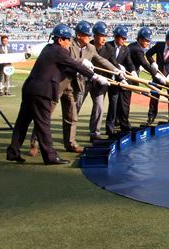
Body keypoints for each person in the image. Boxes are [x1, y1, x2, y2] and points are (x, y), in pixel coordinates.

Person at [6, 24, 109, 165]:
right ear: (60, 40)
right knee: (43, 125)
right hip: (42, 92)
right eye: (67, 39)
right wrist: (95, 77)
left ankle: (13, 151)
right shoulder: (60, 51)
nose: (69, 42)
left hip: (30, 89)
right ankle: (50, 157)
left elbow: (68, 68)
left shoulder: (49, 48)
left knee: (22, 123)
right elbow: (75, 65)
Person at [30, 20, 120, 156]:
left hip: (74, 85)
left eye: (90, 35)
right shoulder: (67, 44)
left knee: (71, 116)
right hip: (58, 84)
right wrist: (81, 62)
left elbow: (101, 60)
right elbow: (67, 59)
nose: (89, 38)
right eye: (87, 35)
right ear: (78, 35)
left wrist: (116, 70)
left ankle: (70, 143)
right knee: (45, 114)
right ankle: (34, 143)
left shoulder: (90, 48)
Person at [77, 21, 111, 140]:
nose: (104, 39)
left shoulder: (109, 48)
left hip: (99, 82)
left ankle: (94, 133)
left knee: (99, 107)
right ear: (95, 35)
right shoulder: (87, 45)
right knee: (77, 105)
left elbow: (107, 62)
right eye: (102, 36)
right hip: (84, 80)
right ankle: (70, 130)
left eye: (105, 36)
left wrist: (117, 71)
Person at [128, 27, 167, 122]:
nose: (148, 43)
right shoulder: (137, 49)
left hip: (130, 71)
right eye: (146, 40)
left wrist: (137, 67)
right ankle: (121, 122)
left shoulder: (134, 46)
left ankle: (119, 121)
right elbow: (144, 63)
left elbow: (135, 60)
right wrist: (156, 75)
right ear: (140, 39)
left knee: (125, 99)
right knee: (124, 100)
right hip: (126, 74)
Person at [102, 25, 136, 134]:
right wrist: (118, 70)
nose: (124, 40)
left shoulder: (125, 49)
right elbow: (111, 60)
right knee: (113, 103)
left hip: (120, 78)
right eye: (122, 38)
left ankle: (123, 125)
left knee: (122, 104)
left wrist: (133, 71)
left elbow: (129, 62)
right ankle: (110, 128)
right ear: (116, 37)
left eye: (125, 38)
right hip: (109, 78)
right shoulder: (108, 46)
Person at [146, 28, 169, 123]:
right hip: (158, 76)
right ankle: (151, 116)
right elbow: (148, 54)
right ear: (166, 40)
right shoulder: (159, 45)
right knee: (154, 97)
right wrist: (153, 63)